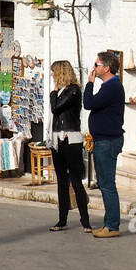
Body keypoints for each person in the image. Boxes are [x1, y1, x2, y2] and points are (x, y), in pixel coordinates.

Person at [82, 51, 124, 238]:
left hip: (107, 141)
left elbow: (89, 103)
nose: (94, 67)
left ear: (106, 68)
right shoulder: (110, 86)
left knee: (107, 184)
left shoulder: (112, 86)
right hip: (103, 139)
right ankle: (110, 223)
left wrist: (90, 83)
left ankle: (112, 226)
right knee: (105, 183)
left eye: (97, 64)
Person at [48, 61, 90, 232]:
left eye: (53, 72)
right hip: (57, 138)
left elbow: (55, 108)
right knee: (61, 182)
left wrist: (53, 93)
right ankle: (62, 219)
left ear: (60, 73)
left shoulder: (73, 90)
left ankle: (85, 221)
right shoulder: (61, 91)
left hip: (71, 138)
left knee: (75, 180)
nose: (52, 75)